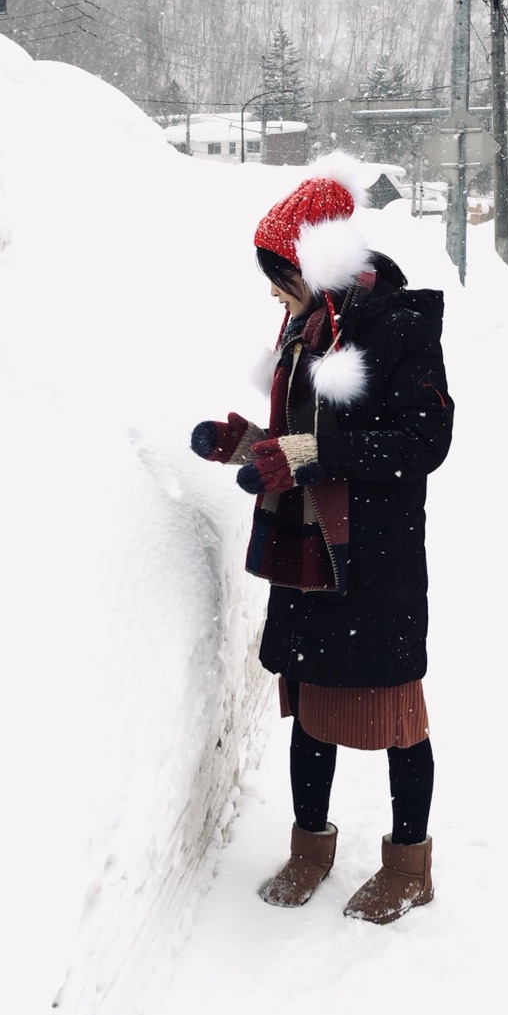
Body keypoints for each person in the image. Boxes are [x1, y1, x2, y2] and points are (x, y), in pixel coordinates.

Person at [191, 154, 453, 924]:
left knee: (395, 715)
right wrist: (245, 445)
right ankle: (311, 847)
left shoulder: (400, 328)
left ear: (314, 263)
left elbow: (423, 441)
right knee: (310, 705)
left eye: (280, 274)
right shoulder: (306, 329)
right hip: (307, 554)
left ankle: (410, 865)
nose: (273, 291)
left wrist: (308, 457)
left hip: (373, 561)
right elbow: (297, 435)